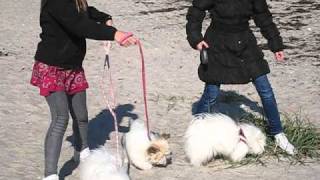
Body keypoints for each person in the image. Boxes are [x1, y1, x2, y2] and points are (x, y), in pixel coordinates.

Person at [31, 0, 137, 179]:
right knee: (60, 118)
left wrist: (105, 18)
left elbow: (86, 12)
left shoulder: (75, 2)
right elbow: (80, 25)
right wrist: (115, 34)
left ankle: (82, 150)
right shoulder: (55, 3)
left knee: (81, 115)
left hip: (73, 67)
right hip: (51, 67)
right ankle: (50, 174)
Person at [186, 0, 295, 155]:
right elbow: (196, 12)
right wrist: (196, 38)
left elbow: (263, 17)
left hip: (245, 44)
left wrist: (275, 45)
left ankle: (278, 134)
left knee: (266, 90)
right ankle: (197, 130)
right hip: (217, 44)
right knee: (211, 94)